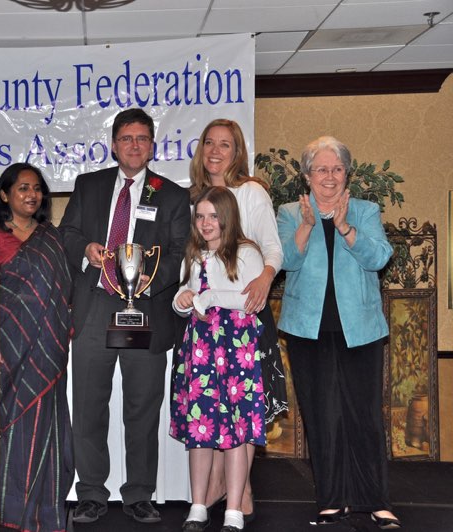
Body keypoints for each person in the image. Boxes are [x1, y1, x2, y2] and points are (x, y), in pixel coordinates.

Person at [60, 108, 191, 524]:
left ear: (152, 146)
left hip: (145, 310)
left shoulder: (169, 194)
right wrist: (87, 251)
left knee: (142, 406)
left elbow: (178, 254)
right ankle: (92, 492)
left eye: (142, 139)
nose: (134, 145)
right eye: (126, 138)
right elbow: (68, 233)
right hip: (97, 307)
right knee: (89, 404)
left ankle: (139, 492)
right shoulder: (89, 185)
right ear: (114, 144)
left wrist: (147, 281)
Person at [276, 136, 400, 529]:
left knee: (364, 415)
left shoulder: (364, 211)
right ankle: (330, 500)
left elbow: (380, 257)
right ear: (307, 175)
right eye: (321, 169)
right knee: (321, 415)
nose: (329, 176)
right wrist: (308, 226)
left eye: (337, 169)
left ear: (347, 173)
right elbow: (282, 262)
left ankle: (375, 500)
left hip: (359, 329)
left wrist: (344, 228)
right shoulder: (290, 212)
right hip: (306, 329)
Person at [185, 118, 287, 522]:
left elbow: (272, 248)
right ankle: (219, 490)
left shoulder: (251, 192)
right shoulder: (195, 196)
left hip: (246, 314)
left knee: (241, 406)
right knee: (213, 406)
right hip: (207, 323)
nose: (215, 151)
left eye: (225, 144)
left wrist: (263, 279)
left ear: (237, 151)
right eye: (209, 143)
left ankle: (238, 493)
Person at [0, 163, 74, 531]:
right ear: (4, 195)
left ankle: (45, 512)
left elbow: (63, 293)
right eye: (23, 188)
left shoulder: (51, 236)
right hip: (4, 350)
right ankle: (7, 514)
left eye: (37, 189)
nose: (32, 195)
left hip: (47, 349)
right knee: (10, 427)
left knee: (45, 427)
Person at [171, 186, 266, 532]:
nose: (206, 223)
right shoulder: (194, 255)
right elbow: (186, 297)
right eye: (200, 216)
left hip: (236, 351)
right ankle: (198, 505)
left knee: (235, 431)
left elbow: (250, 300)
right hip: (201, 350)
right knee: (201, 428)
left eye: (213, 216)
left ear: (227, 217)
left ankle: (234, 509)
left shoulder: (246, 253)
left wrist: (208, 296)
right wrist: (182, 300)